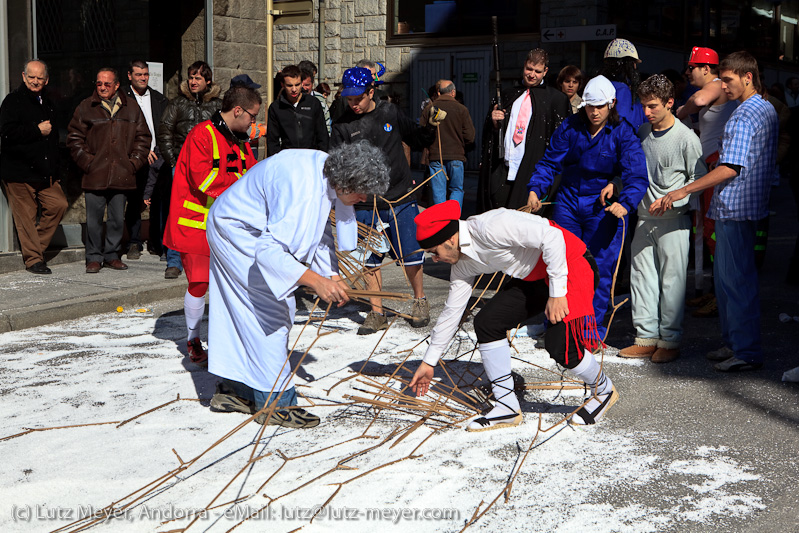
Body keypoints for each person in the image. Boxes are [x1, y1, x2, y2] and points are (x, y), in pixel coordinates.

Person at [206, 142, 390, 428]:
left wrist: (331, 275)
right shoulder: (304, 190)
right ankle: (276, 403)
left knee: (251, 314)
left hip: (244, 227)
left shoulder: (327, 172)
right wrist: (315, 281)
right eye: (361, 190)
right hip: (237, 231)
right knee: (271, 314)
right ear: (345, 182)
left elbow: (319, 233)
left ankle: (237, 389)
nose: (364, 197)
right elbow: (269, 252)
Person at [409, 201, 617, 431]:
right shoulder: (462, 264)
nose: (435, 260)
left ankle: (604, 390)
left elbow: (553, 237)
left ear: (450, 239)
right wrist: (429, 362)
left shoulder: (491, 226)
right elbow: (451, 313)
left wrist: (557, 294)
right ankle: (506, 406)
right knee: (488, 322)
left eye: (433, 253)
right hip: (534, 277)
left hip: (569, 264)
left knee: (560, 347)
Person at [652, 51, 778, 372]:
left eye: (730, 79)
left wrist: (684, 189)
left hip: (736, 206)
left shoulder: (746, 113)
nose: (725, 85)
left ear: (747, 77)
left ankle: (745, 351)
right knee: (727, 282)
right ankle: (736, 344)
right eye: (722, 79)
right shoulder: (758, 108)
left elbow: (730, 167)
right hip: (737, 206)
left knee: (735, 282)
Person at [526, 75, 647, 340]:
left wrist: (625, 202)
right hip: (568, 201)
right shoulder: (570, 126)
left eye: (600, 106)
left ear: (611, 104)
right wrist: (536, 189)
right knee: (560, 264)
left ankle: (591, 332)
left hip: (601, 207)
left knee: (599, 269)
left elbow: (636, 174)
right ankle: (559, 328)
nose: (594, 112)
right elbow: (549, 163)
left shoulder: (623, 132)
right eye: (590, 106)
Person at [331, 67, 442, 334]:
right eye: (349, 98)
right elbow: (336, 163)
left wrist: (431, 126)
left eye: (358, 97)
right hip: (365, 203)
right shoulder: (342, 124)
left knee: (411, 254)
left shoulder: (390, 113)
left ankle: (419, 301)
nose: (353, 103)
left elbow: (416, 137)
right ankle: (376, 312)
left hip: (400, 196)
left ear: (371, 92)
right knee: (369, 259)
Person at [162, 86, 260, 366]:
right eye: (252, 116)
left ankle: (226, 338)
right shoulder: (201, 135)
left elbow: (253, 171)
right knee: (200, 282)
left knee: (231, 284)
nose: (253, 123)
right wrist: (245, 188)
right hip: (195, 223)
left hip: (228, 225)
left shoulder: (238, 139)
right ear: (238, 111)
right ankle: (193, 338)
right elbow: (203, 180)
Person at [619, 75, 707, 363]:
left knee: (672, 282)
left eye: (653, 106)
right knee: (641, 279)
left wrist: (677, 199)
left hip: (673, 221)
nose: (647, 112)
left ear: (670, 103)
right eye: (644, 105)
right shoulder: (642, 132)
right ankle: (645, 338)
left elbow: (701, 179)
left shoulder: (686, 138)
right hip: (643, 218)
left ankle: (670, 341)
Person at [67, 67, 151, 274]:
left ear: (116, 85)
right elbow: (74, 138)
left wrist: (133, 163)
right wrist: (88, 162)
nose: (102, 87)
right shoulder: (86, 107)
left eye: (107, 84)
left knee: (116, 218)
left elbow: (143, 137)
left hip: (122, 173)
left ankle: (112, 255)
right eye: (99, 83)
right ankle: (94, 257)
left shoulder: (131, 107)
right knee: (94, 219)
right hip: (95, 173)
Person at [676, 46, 738, 316]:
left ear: (706, 68)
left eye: (692, 67)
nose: (688, 72)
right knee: (706, 231)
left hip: (716, 166)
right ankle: (711, 291)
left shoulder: (715, 85)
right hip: (709, 163)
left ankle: (721, 296)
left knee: (714, 233)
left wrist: (681, 111)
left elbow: (699, 101)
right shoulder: (718, 90)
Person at [476, 48, 570, 213]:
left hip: (532, 173)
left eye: (537, 71)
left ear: (545, 71)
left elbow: (561, 143)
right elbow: (490, 135)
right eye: (529, 69)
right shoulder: (507, 95)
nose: (532, 74)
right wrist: (495, 122)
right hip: (503, 170)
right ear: (523, 66)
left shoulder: (555, 99)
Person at [0, 59, 68, 274]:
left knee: (59, 204)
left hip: (44, 173)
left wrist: (55, 170)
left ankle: (33, 248)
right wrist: (36, 130)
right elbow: (7, 132)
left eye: (40, 78)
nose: (35, 81)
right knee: (26, 217)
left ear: (46, 80)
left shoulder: (47, 102)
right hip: (18, 172)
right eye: (31, 77)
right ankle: (33, 261)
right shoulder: (13, 101)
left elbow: (54, 139)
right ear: (23, 77)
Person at [156, 60, 222, 279]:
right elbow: (165, 133)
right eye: (191, 77)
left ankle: (208, 257)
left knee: (211, 213)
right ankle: (174, 261)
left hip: (210, 170)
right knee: (178, 213)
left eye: (198, 78)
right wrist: (174, 162)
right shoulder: (177, 104)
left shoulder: (217, 106)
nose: (193, 82)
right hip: (182, 168)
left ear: (208, 81)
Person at [124, 59, 168, 261]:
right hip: (135, 157)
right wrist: (140, 151)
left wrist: (159, 151)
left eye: (145, 74)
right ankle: (134, 242)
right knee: (135, 200)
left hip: (157, 156)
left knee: (158, 201)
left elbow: (164, 128)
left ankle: (155, 241)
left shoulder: (159, 99)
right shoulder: (122, 99)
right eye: (138, 74)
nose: (143, 78)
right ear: (129, 76)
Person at [419, 79, 475, 207]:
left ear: (438, 92)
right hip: (456, 156)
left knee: (438, 192)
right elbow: (470, 136)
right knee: (456, 189)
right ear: (453, 93)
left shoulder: (429, 109)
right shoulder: (462, 109)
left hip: (436, 156)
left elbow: (421, 132)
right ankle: (454, 221)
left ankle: (441, 222)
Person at [266, 65, 329, 156]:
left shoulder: (313, 103)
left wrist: (323, 158)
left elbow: (322, 135)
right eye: (289, 85)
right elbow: (272, 141)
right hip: (287, 159)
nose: (294, 89)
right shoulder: (276, 107)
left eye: (297, 85)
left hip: (311, 157)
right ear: (282, 85)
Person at [300, 66, 332, 134]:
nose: (304, 88)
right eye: (301, 85)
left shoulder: (319, 99)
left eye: (307, 85)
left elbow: (327, 124)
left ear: (312, 83)